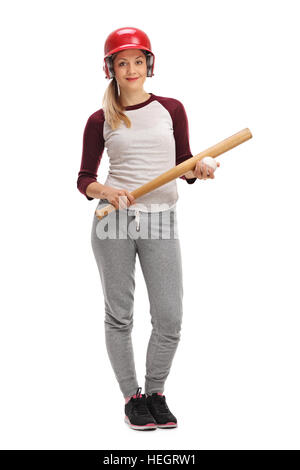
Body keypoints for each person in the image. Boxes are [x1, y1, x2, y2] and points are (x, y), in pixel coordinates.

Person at [77, 27, 220, 431]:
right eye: (122, 62)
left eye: (138, 61)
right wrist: (108, 191)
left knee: (170, 317)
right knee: (119, 316)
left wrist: (200, 169)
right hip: (113, 221)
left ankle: (156, 392)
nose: (131, 68)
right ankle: (132, 397)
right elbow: (84, 179)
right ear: (111, 70)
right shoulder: (99, 119)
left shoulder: (171, 109)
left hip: (160, 219)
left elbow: (185, 163)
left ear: (149, 65)